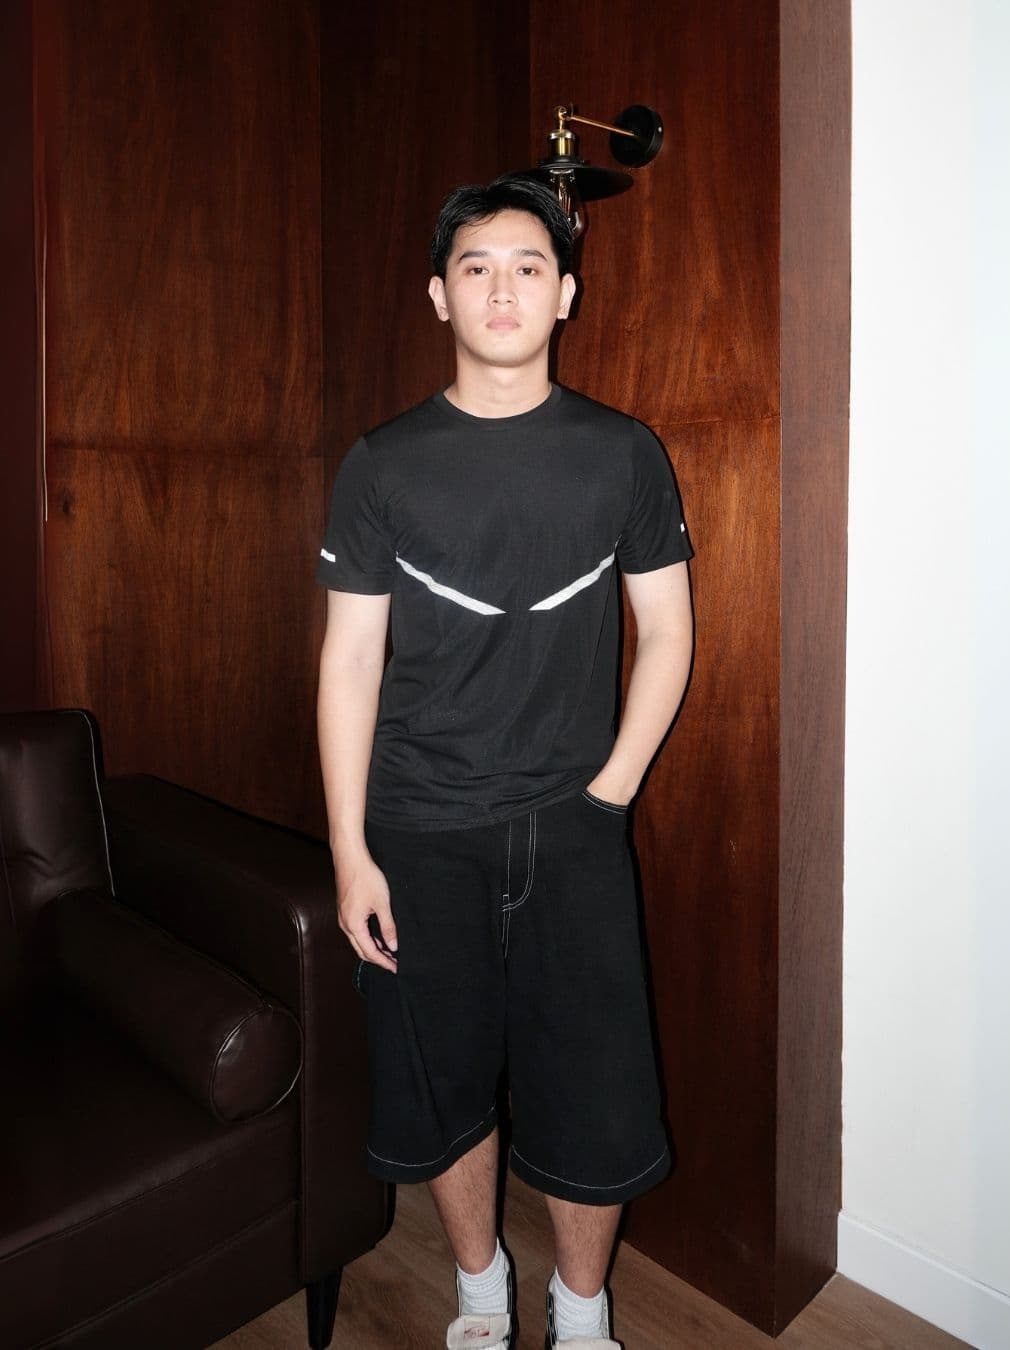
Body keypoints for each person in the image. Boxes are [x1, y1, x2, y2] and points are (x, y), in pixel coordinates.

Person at [316, 175, 693, 1350]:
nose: (502, 288)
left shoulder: (624, 454)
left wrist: (609, 792)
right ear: (439, 295)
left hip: (574, 830)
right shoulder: (381, 465)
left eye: (529, 266)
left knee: (595, 1094)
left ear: (565, 293)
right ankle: (481, 1295)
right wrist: (350, 851)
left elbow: (668, 631)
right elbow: (349, 663)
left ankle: (583, 1315)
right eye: (475, 267)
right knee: (444, 1084)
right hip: (420, 830)